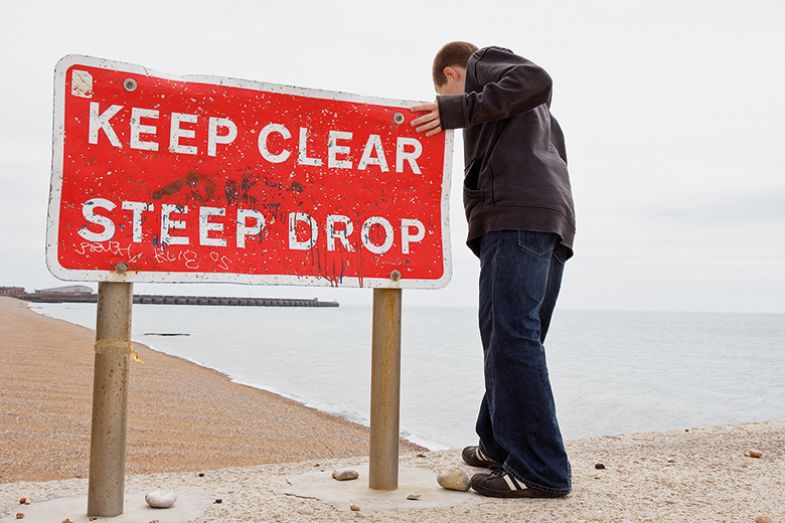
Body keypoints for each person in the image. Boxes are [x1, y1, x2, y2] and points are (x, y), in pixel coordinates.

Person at [410, 41, 576, 499]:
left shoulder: (484, 64)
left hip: (518, 220)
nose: (446, 107)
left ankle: (540, 469)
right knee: (511, 338)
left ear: (452, 73)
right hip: (548, 223)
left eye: (444, 94)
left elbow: (538, 77)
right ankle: (497, 442)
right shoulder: (529, 118)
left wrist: (456, 110)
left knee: (512, 338)